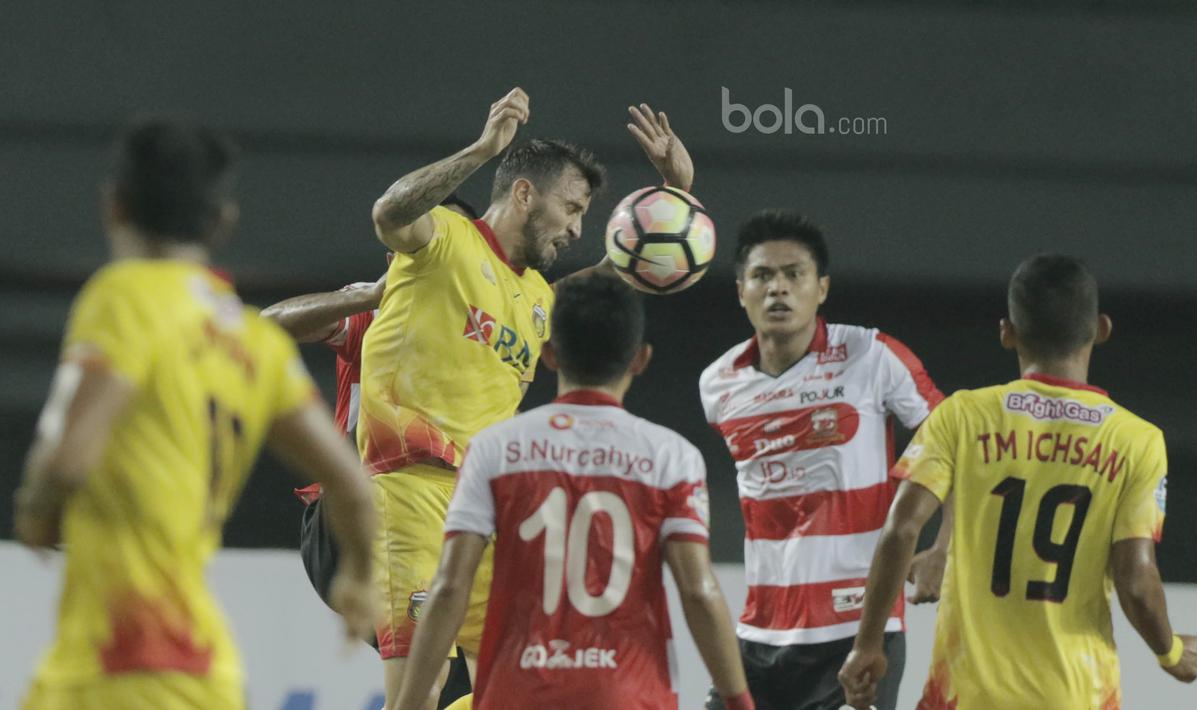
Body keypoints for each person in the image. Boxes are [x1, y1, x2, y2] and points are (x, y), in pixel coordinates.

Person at [13, 116, 377, 710]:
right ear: (221, 222)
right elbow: (353, 488)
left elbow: (67, 461)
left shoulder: (125, 295)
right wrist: (359, 581)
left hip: (114, 663)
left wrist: (36, 507)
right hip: (208, 671)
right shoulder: (251, 339)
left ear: (114, 206)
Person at [361, 88, 695, 707]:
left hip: (483, 510)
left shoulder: (539, 296)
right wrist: (486, 149)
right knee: (419, 687)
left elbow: (629, 261)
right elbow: (390, 212)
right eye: (570, 209)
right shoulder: (448, 240)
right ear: (523, 194)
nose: (575, 228)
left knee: (526, 680)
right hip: (408, 488)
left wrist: (671, 194)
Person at [838, 254, 1197, 709]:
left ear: (1007, 331)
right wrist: (1170, 652)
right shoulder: (1137, 441)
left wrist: (868, 644)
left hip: (963, 695)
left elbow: (901, 529)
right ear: (1101, 328)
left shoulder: (962, 415)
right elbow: (1136, 580)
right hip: (1075, 695)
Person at [392, 272, 754, 710]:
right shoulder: (670, 457)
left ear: (548, 354)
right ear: (639, 359)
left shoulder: (495, 448)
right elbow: (697, 590)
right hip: (627, 696)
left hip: (517, 695)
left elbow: (450, 587)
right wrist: (738, 700)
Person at [698, 210, 949, 710]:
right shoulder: (718, 382)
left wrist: (946, 546)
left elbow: (958, 440)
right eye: (763, 276)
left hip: (856, 631)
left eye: (795, 275)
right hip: (759, 634)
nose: (778, 289)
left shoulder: (872, 355)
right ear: (741, 290)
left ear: (822, 288)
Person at [261, 193, 481, 708]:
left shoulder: (485, 325)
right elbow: (265, 326)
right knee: (422, 687)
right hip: (355, 521)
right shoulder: (378, 313)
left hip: (444, 523)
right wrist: (370, 298)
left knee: (495, 681)